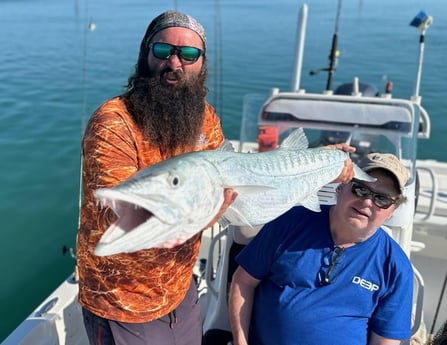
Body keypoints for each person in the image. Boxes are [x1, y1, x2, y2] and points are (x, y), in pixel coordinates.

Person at [76, 10, 237, 345]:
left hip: (180, 290)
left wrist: (322, 165)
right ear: (146, 55)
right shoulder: (113, 122)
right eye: (163, 51)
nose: (174, 63)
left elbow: (230, 172)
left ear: (202, 63)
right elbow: (123, 211)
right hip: (122, 302)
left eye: (189, 54)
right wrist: (215, 203)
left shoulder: (205, 118)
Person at [229, 153, 414, 345]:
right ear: (341, 187)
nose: (367, 202)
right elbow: (243, 282)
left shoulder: (396, 266)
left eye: (381, 199)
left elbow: (385, 340)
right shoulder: (290, 222)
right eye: (361, 189)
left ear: (392, 212)